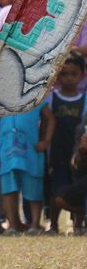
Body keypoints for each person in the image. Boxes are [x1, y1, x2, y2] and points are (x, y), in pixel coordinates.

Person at [0, 97, 50, 234]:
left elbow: (51, 119)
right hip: (6, 154)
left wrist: (45, 141)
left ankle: (35, 225)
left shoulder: (35, 98)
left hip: (31, 154)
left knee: (33, 187)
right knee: (9, 189)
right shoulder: (1, 101)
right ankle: (13, 225)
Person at [48, 54, 87, 234]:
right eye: (64, 74)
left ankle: (77, 225)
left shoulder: (84, 99)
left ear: (82, 75)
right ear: (57, 75)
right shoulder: (52, 98)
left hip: (79, 155)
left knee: (77, 186)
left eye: (74, 74)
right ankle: (53, 225)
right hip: (57, 152)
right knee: (56, 187)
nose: (69, 78)